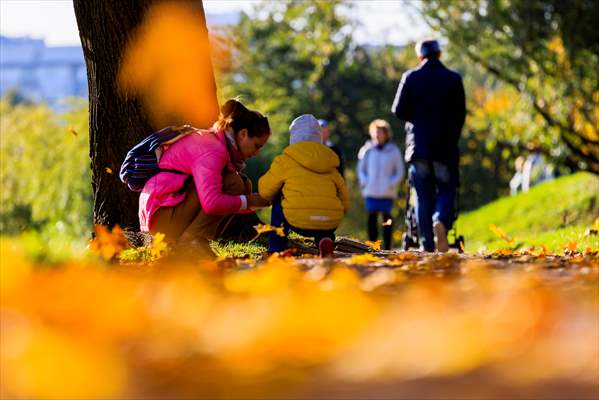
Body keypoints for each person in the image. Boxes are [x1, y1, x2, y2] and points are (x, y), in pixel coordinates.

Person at [139, 99, 272, 257]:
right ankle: (190, 242)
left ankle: (193, 240)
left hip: (168, 209)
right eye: (257, 145)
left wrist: (259, 201)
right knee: (233, 183)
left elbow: (229, 204)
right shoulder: (212, 150)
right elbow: (211, 203)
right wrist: (250, 201)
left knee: (242, 183)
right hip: (161, 217)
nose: (257, 153)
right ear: (243, 134)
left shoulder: (217, 145)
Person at [391, 39, 466, 252]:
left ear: (420, 56)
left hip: (419, 147)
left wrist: (417, 116)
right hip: (445, 147)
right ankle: (440, 220)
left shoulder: (411, 77)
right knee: (446, 190)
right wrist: (452, 135)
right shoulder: (453, 78)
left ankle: (427, 244)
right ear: (440, 54)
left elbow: (398, 111)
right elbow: (460, 114)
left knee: (422, 196)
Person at [258, 114, 349, 257]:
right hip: (328, 221)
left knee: (278, 200)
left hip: (297, 221)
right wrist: (343, 210)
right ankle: (325, 240)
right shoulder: (330, 163)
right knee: (324, 210)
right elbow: (343, 191)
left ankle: (276, 247)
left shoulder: (285, 160)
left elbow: (265, 190)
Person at [357, 119, 405, 250]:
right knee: (371, 219)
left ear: (386, 134)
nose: (377, 135)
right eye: (375, 132)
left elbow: (399, 171)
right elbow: (361, 169)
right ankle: (372, 247)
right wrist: (365, 182)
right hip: (371, 190)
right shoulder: (367, 150)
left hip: (387, 192)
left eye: (380, 132)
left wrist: (391, 183)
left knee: (386, 219)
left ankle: (387, 247)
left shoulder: (393, 151)